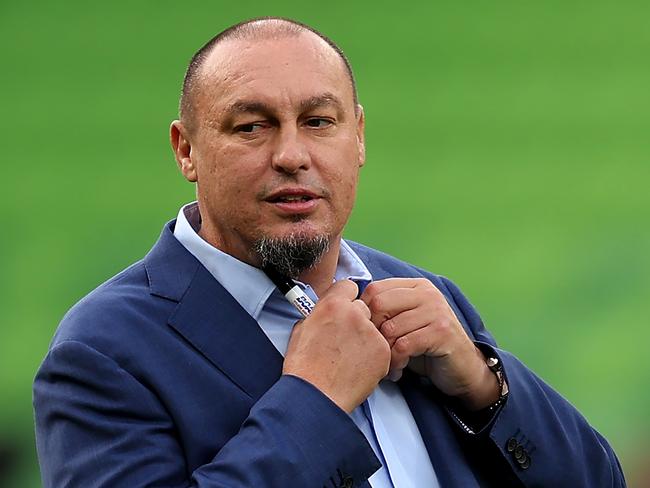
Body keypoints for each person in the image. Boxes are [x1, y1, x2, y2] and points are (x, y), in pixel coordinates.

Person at [33, 17, 626, 488]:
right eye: (251, 127)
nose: (292, 154)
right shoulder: (102, 351)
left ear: (359, 137)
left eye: (318, 121)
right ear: (185, 149)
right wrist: (313, 402)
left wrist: (484, 385)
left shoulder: (428, 299)